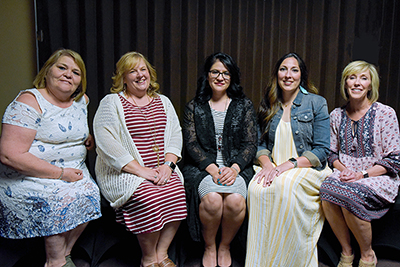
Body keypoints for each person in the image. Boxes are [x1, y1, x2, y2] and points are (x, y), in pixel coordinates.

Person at [0, 48, 101, 267]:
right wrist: (61, 173)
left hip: (72, 173)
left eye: (76, 72)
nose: (68, 74)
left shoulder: (82, 101)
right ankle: (56, 261)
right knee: (58, 200)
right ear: (47, 72)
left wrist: (87, 137)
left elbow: (70, 127)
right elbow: (9, 154)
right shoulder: (29, 101)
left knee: (90, 192)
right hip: (31, 176)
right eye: (62, 67)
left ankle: (64, 253)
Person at [93, 51, 187, 267]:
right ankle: (147, 257)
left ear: (149, 73)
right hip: (125, 172)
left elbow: (175, 134)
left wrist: (169, 165)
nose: (139, 74)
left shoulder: (162, 101)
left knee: (177, 191)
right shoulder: (112, 102)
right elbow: (107, 143)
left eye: (143, 69)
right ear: (123, 78)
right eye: (132, 71)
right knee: (149, 196)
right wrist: (140, 171)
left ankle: (161, 254)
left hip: (161, 167)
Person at [246, 52, 332, 267]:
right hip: (274, 166)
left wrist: (289, 164)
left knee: (285, 184)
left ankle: (288, 261)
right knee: (256, 189)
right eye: (283, 69)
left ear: (302, 76)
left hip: (307, 168)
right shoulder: (269, 103)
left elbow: (322, 150)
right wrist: (267, 165)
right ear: (276, 74)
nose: (288, 75)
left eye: (294, 70)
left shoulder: (316, 102)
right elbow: (260, 145)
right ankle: (260, 262)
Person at [320, 61, 400, 267]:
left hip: (377, 176)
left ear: (371, 85)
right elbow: (330, 153)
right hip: (345, 174)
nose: (357, 83)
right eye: (352, 77)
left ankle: (367, 255)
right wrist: (345, 170)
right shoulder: (336, 115)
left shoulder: (385, 113)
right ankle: (346, 252)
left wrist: (361, 175)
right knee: (326, 190)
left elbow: (394, 159)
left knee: (348, 194)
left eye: (363, 78)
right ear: (345, 84)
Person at [182, 52, 257, 267]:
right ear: (207, 75)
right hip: (202, 168)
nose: (220, 77)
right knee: (213, 200)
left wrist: (234, 168)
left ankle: (225, 245)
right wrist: (212, 168)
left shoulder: (243, 106)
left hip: (237, 167)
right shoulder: (194, 106)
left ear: (232, 77)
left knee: (234, 201)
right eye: (215, 71)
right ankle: (209, 246)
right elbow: (191, 144)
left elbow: (250, 144)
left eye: (225, 73)